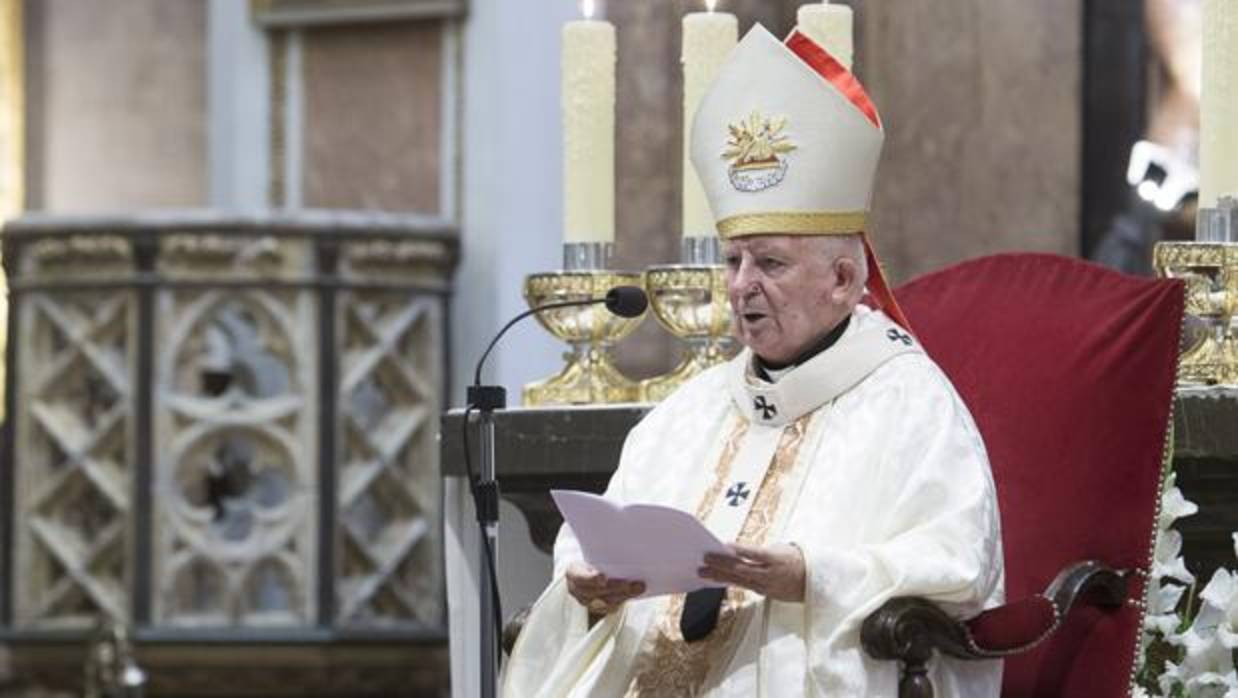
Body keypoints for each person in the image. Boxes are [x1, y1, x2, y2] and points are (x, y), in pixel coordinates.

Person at [503, 24, 1004, 697]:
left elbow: (956, 563)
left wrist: (808, 574)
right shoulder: (690, 410)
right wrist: (588, 584)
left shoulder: (909, 403)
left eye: (770, 262)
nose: (741, 285)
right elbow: (599, 531)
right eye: (733, 260)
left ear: (843, 279)